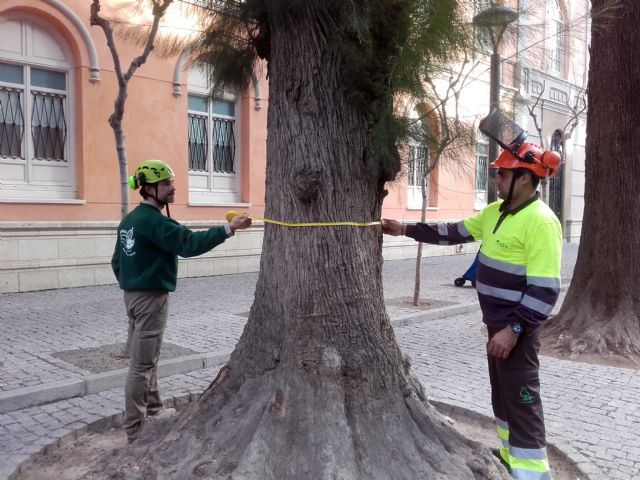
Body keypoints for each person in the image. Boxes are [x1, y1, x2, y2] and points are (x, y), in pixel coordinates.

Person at [382, 142, 562, 480]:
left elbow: (544, 290)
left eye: (502, 173)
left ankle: (534, 475)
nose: (496, 178)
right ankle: (511, 460)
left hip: (515, 333)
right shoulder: (496, 211)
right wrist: (404, 229)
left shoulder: (541, 223)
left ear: (525, 178)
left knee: (522, 403)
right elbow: (454, 232)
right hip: (497, 328)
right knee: (503, 400)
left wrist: (514, 331)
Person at [111, 159, 251, 444]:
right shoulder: (154, 223)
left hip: (133, 297)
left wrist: (133, 283)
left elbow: (117, 262)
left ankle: (153, 409)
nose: (173, 188)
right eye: (166, 184)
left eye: (172, 182)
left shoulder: (130, 221)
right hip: (151, 299)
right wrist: (229, 229)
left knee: (149, 359)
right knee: (142, 364)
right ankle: (136, 431)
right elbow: (188, 243)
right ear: (149, 189)